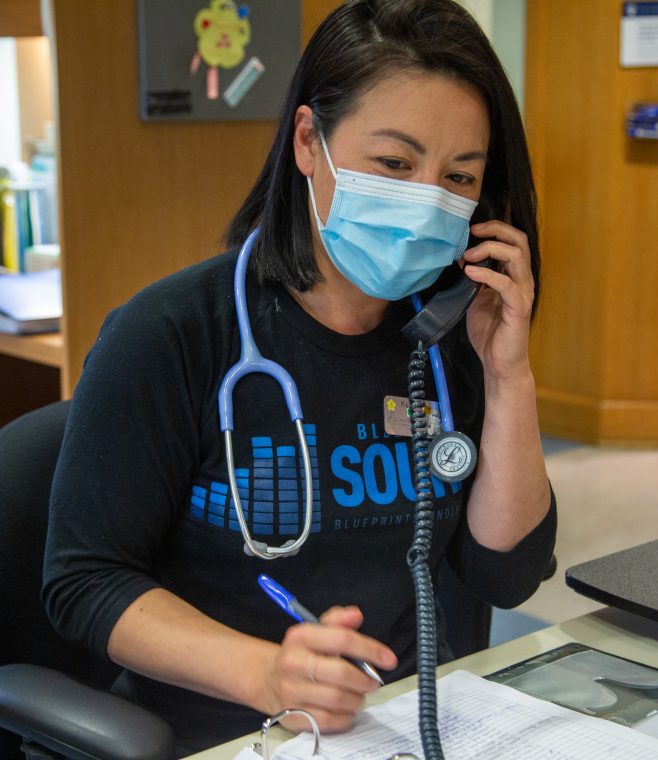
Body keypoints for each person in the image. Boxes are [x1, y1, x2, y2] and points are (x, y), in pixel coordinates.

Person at [43, 0, 556, 754]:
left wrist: (509, 375)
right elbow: (82, 581)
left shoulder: (449, 338)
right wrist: (267, 674)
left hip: (409, 726)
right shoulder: (171, 334)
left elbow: (507, 578)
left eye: (458, 176)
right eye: (394, 163)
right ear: (309, 142)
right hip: (220, 733)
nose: (424, 202)